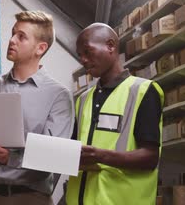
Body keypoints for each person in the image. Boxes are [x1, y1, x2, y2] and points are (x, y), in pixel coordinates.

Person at [0, 10, 75, 205]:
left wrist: (9, 158)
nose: (12, 40)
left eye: (21, 36)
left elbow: (56, 157)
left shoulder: (58, 96)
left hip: (29, 199)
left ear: (40, 48)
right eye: (13, 33)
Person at [65, 23, 163, 205]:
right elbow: (74, 153)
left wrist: (101, 156)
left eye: (87, 51)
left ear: (110, 46)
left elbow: (150, 157)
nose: (83, 60)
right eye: (80, 55)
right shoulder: (83, 99)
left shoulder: (143, 91)